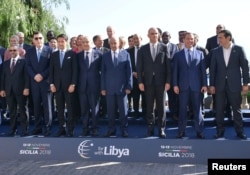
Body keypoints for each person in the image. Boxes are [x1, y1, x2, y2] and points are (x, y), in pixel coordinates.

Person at [209, 29, 249, 140]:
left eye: (221, 37)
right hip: (219, 85)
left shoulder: (239, 49)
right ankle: (219, 132)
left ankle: (240, 132)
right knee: (219, 109)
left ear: (228, 38)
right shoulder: (216, 51)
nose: (219, 40)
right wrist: (211, 85)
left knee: (236, 109)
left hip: (234, 84)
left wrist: (245, 83)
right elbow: (213, 70)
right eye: (218, 37)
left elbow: (245, 67)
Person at [137, 27, 171, 138]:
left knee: (161, 107)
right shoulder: (143, 49)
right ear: (148, 35)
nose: (154, 35)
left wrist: (168, 81)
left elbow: (168, 66)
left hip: (161, 82)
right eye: (152, 33)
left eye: (156, 33)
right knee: (149, 107)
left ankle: (161, 129)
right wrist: (140, 82)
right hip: (148, 82)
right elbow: (139, 67)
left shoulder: (164, 47)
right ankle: (150, 128)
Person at [173, 32, 207, 139]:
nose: (190, 41)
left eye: (192, 39)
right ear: (184, 40)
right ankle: (181, 131)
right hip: (183, 87)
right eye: (188, 39)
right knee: (182, 110)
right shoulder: (178, 55)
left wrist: (205, 85)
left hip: (196, 87)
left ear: (194, 40)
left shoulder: (200, 54)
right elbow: (175, 72)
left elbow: (203, 72)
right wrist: (175, 85)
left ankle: (199, 131)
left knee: (198, 110)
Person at [101, 36, 132, 137]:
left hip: (122, 89)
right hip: (109, 89)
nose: (114, 45)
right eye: (112, 43)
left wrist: (129, 86)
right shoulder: (105, 56)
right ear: (109, 44)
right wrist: (103, 88)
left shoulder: (125, 54)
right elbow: (103, 73)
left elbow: (129, 72)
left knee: (123, 112)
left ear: (119, 44)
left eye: (115, 43)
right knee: (110, 112)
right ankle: (111, 129)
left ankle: (124, 129)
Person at [49, 34, 78, 137]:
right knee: (59, 108)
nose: (60, 43)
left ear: (66, 42)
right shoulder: (54, 54)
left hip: (69, 86)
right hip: (57, 86)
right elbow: (51, 71)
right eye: (59, 41)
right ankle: (62, 128)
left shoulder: (72, 54)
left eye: (62, 41)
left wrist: (73, 84)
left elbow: (75, 71)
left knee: (70, 109)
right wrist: (51, 84)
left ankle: (70, 129)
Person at [25, 31, 52, 136]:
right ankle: (37, 127)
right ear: (33, 40)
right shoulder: (29, 51)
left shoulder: (49, 50)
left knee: (47, 106)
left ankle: (47, 127)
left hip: (45, 82)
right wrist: (34, 76)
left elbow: (51, 66)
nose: (38, 40)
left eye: (40, 38)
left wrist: (42, 75)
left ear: (43, 39)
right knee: (36, 106)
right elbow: (27, 66)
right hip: (34, 83)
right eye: (36, 38)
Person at [0, 45, 29, 136]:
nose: (12, 52)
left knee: (23, 110)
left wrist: (26, 88)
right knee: (12, 111)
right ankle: (13, 129)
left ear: (19, 51)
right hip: (9, 90)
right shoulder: (5, 63)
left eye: (14, 50)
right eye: (10, 50)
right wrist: (2, 89)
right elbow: (3, 78)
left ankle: (25, 130)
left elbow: (27, 77)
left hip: (21, 90)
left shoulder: (24, 62)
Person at [77, 36, 102, 137]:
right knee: (84, 110)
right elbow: (76, 71)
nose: (85, 44)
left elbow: (102, 72)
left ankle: (95, 128)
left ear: (91, 43)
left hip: (94, 86)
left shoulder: (99, 55)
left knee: (94, 109)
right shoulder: (78, 56)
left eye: (87, 42)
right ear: (81, 44)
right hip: (82, 87)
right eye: (83, 42)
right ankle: (85, 129)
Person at [127, 34, 145, 117]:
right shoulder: (128, 51)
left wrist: (144, 72)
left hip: (145, 78)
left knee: (145, 96)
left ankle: (145, 112)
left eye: (137, 38)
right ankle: (136, 112)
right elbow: (127, 65)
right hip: (134, 78)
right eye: (134, 39)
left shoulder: (146, 49)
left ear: (141, 39)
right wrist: (133, 72)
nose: (135, 40)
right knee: (135, 96)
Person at [162, 31, 179, 121]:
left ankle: (174, 113)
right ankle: (160, 115)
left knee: (173, 97)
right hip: (161, 76)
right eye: (164, 36)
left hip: (172, 76)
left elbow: (176, 60)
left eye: (167, 36)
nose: (165, 37)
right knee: (160, 97)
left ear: (170, 37)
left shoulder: (174, 46)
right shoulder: (159, 46)